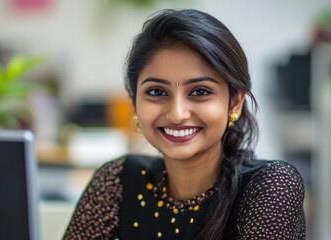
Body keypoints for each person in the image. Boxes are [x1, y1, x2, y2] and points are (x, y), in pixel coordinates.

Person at [64, 9, 305, 239]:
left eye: (200, 91)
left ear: (235, 104)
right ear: (134, 102)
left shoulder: (273, 186)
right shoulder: (115, 181)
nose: (177, 114)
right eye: (157, 92)